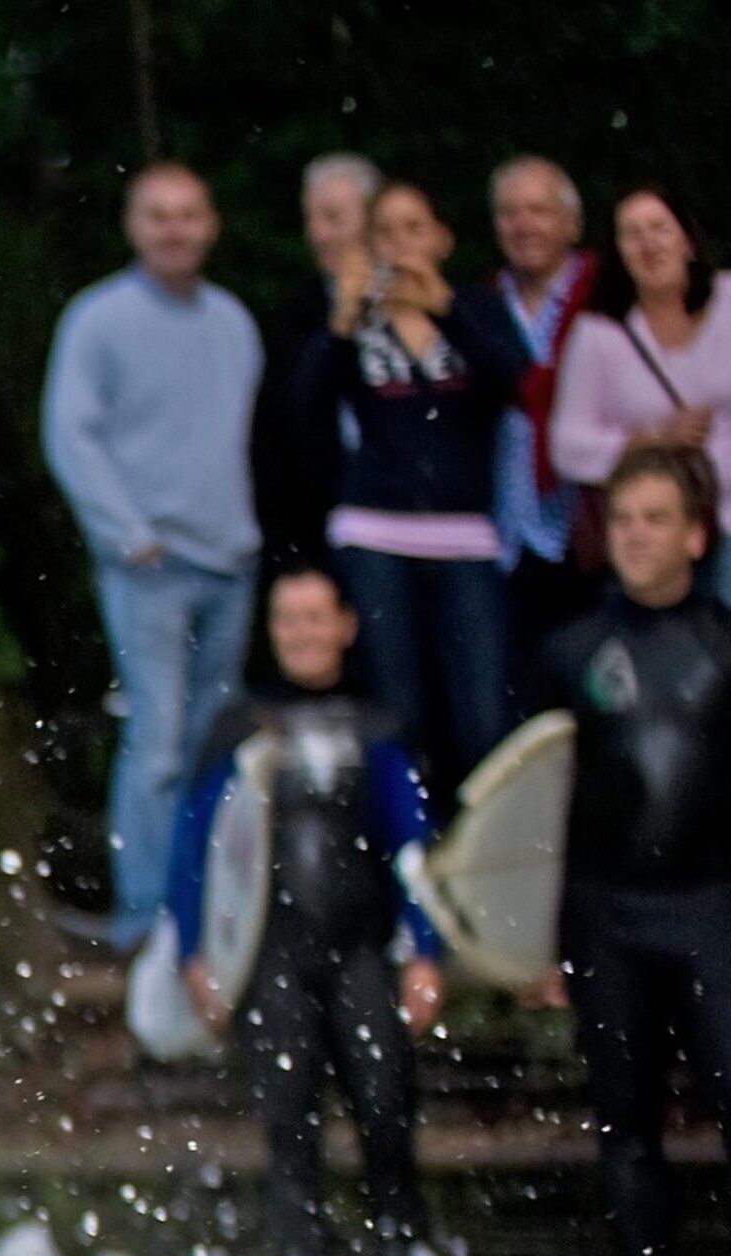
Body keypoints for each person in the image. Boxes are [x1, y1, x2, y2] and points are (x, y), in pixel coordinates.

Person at [168, 566, 445, 1256]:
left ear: (346, 627)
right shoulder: (238, 728)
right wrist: (197, 953)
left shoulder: (380, 726)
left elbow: (412, 847)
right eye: (289, 619)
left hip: (359, 951)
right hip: (271, 960)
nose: (303, 633)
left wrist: (426, 954)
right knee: (290, 1121)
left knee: (386, 1106)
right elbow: (194, 849)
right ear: (271, 630)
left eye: (316, 618)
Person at [524, 442, 731, 1256]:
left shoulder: (727, 643)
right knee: (626, 1121)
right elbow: (525, 806)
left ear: (697, 535)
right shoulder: (569, 650)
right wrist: (533, 940)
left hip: (711, 910)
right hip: (603, 918)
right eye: (623, 519)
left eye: (656, 520)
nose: (636, 536)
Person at [44, 162, 265, 950]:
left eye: (189, 214)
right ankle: (146, 918)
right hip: (151, 567)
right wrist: (127, 533)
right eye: (158, 215)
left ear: (210, 225)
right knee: (159, 742)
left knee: (214, 745)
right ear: (135, 226)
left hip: (230, 562)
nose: (175, 229)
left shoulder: (234, 323)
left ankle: (208, 912)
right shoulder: (98, 319)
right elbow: (70, 436)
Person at [309, 178, 530, 790]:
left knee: (485, 712)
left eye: (414, 228)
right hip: (376, 529)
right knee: (396, 712)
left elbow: (517, 384)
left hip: (465, 534)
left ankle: (480, 861)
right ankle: (405, 862)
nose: (400, 243)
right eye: (385, 231)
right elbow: (302, 409)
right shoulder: (357, 318)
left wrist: (448, 311)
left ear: (442, 238)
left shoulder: (477, 307)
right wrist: (340, 325)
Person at [551, 187, 731, 601]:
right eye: (632, 234)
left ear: (687, 239)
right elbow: (567, 448)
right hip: (651, 531)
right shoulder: (598, 335)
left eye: (659, 229)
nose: (648, 244)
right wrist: (654, 439)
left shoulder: (726, 301)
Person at [489, 157, 601, 657]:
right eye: (509, 213)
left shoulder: (604, 296)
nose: (523, 225)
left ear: (571, 223)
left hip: (584, 526)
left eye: (538, 210)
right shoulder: (482, 303)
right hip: (505, 530)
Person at [257, 151, 384, 574]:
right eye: (310, 219)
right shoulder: (296, 316)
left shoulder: (421, 305)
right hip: (325, 528)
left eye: (332, 218)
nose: (317, 234)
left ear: (372, 219)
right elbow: (276, 439)